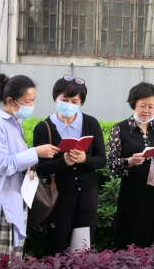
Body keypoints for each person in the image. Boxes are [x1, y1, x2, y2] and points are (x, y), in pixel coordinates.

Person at [0, 74, 59, 258]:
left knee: (12, 263)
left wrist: (29, 163)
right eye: (27, 101)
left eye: (33, 100)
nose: (31, 105)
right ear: (10, 101)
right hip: (0, 204)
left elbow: (15, 160)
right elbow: (0, 164)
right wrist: (35, 153)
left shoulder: (15, 123)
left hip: (14, 201)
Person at [33, 75, 106, 255]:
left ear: (81, 102)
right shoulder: (44, 128)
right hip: (60, 196)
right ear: (55, 99)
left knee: (83, 246)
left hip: (87, 195)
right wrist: (63, 162)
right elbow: (40, 167)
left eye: (75, 101)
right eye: (64, 100)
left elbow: (101, 160)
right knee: (59, 244)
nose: (69, 105)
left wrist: (85, 159)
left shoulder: (91, 123)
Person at [107, 82, 154, 248]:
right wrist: (129, 162)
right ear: (134, 104)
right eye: (142, 106)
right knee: (131, 240)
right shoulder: (120, 129)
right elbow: (110, 165)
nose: (146, 110)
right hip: (132, 193)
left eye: (151, 107)